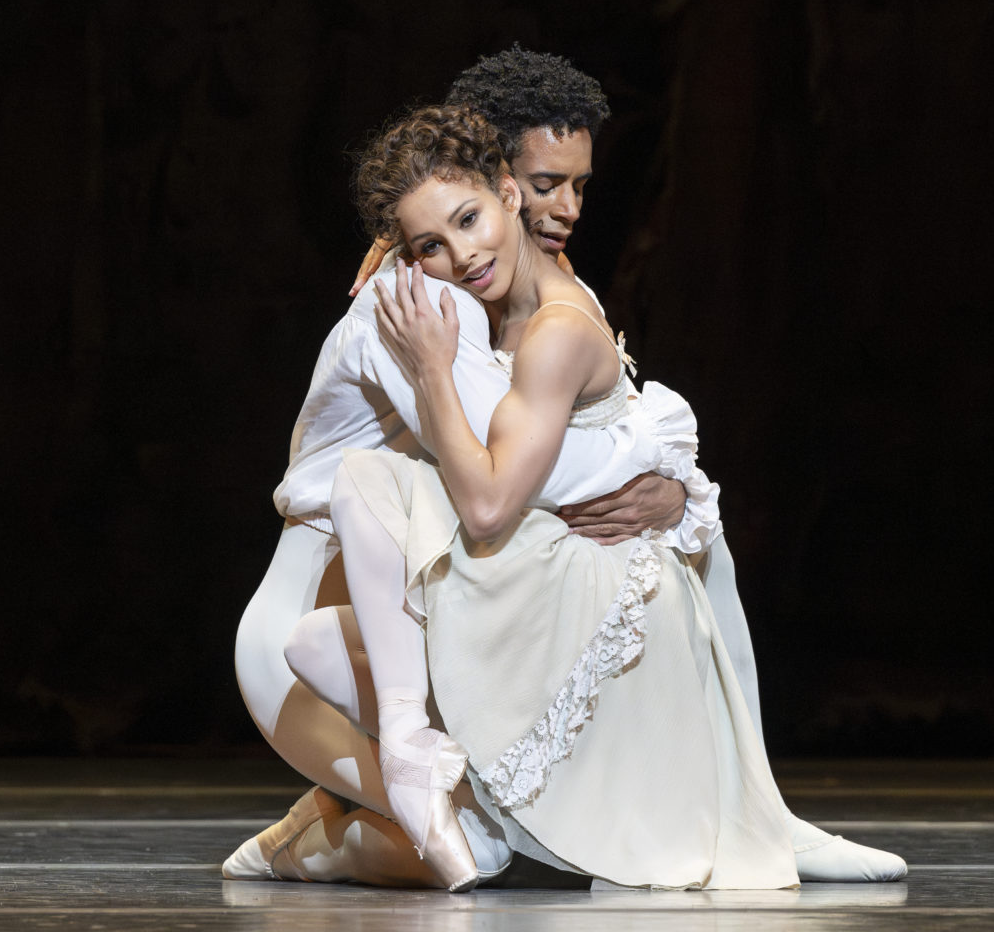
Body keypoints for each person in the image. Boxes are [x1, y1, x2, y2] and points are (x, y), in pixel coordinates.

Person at [224, 48, 906, 887]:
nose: (568, 208)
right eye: (546, 184)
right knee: (486, 846)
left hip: (429, 589)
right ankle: (304, 844)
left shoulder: (523, 289)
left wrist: (673, 494)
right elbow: (515, 476)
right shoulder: (410, 303)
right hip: (330, 600)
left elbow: (556, 439)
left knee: (692, 544)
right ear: (499, 177)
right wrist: (671, 486)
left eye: (579, 185)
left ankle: (746, 804)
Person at [325, 104, 800, 890]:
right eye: (432, 246)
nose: (462, 254)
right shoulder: (495, 295)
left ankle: (424, 777)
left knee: (370, 486)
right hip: (560, 555)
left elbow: (486, 508)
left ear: (509, 196)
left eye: (470, 220)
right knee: (315, 646)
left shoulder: (555, 331)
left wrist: (431, 369)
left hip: (607, 592)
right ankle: (413, 785)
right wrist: (401, 241)